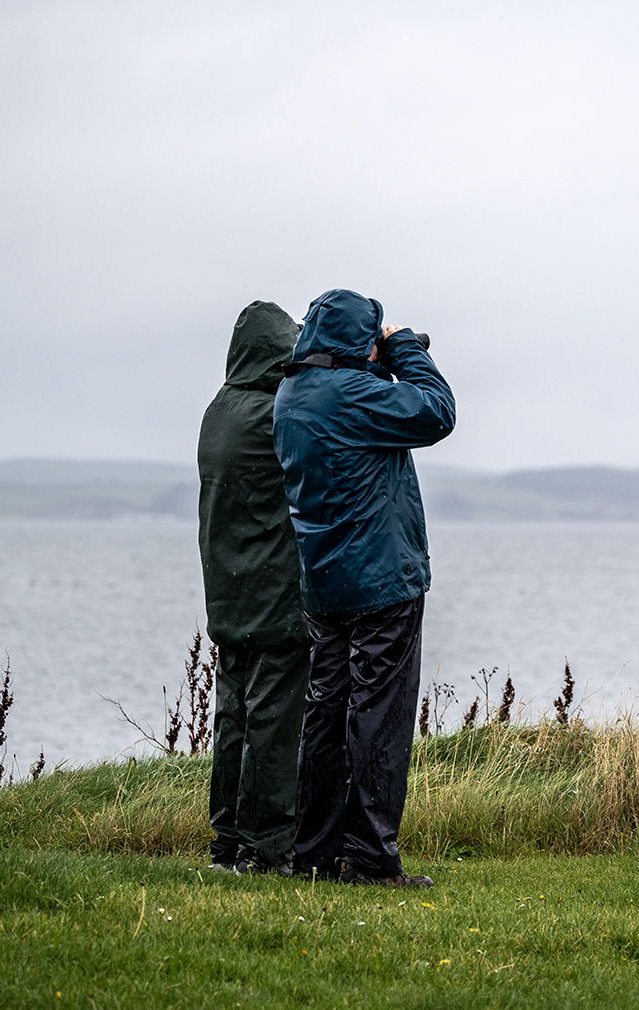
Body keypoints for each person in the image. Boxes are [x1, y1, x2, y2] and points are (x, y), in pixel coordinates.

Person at [273, 288, 455, 888]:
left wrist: (372, 358)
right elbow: (436, 411)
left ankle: (315, 851)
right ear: (359, 341)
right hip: (381, 579)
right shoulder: (355, 396)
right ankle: (371, 858)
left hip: (324, 581)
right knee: (379, 713)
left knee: (325, 713)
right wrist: (402, 345)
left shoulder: (292, 395)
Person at [197, 300, 312, 875]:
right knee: (271, 721)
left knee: (233, 718)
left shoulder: (217, 411)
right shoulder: (274, 415)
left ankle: (227, 842)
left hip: (228, 592)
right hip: (275, 595)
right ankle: (264, 850)